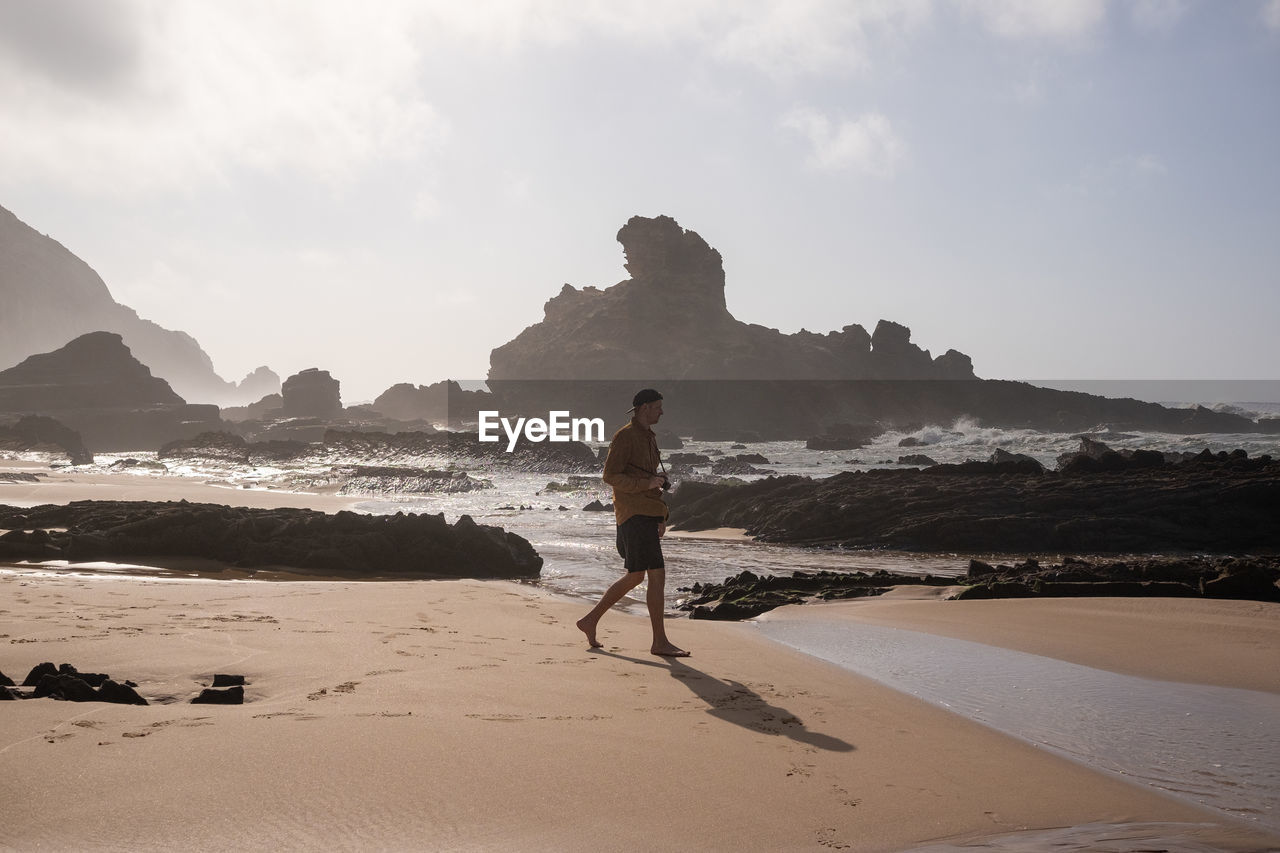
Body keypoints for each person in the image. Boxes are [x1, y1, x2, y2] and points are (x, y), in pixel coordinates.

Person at [576, 388, 689, 657]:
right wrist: (645, 484)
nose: (662, 411)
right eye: (658, 407)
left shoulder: (648, 437)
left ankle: (590, 620)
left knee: (637, 575)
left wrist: (660, 513)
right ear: (645, 408)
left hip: (645, 513)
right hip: (632, 514)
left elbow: (650, 482)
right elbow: (609, 475)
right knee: (655, 575)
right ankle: (659, 642)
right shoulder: (625, 436)